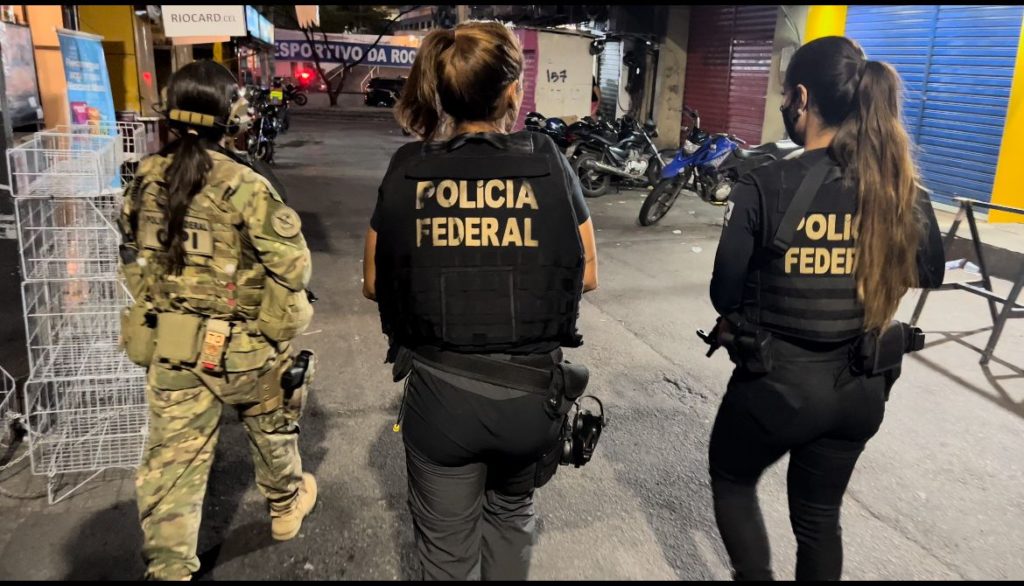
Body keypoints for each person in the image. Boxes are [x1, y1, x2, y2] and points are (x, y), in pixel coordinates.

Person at [362, 21, 599, 581]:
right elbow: (587, 274)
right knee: (512, 519)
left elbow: (373, 282)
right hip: (531, 400)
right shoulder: (548, 159)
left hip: (441, 402)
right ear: (513, 91)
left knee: (446, 555)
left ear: (441, 93)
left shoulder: (408, 167)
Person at [706, 36, 945, 581]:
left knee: (733, 480)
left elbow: (725, 292)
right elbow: (929, 272)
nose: (783, 105)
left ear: (802, 97)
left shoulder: (766, 181)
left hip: (777, 390)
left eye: (785, 94)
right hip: (862, 387)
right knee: (818, 519)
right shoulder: (898, 187)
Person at [117, 61, 318, 581]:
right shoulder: (245, 183)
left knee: (171, 464)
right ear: (230, 115)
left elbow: (132, 254)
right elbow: (292, 267)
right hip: (245, 351)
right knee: (272, 424)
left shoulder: (145, 177)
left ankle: (169, 567)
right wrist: (273, 332)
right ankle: (285, 507)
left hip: (172, 348)